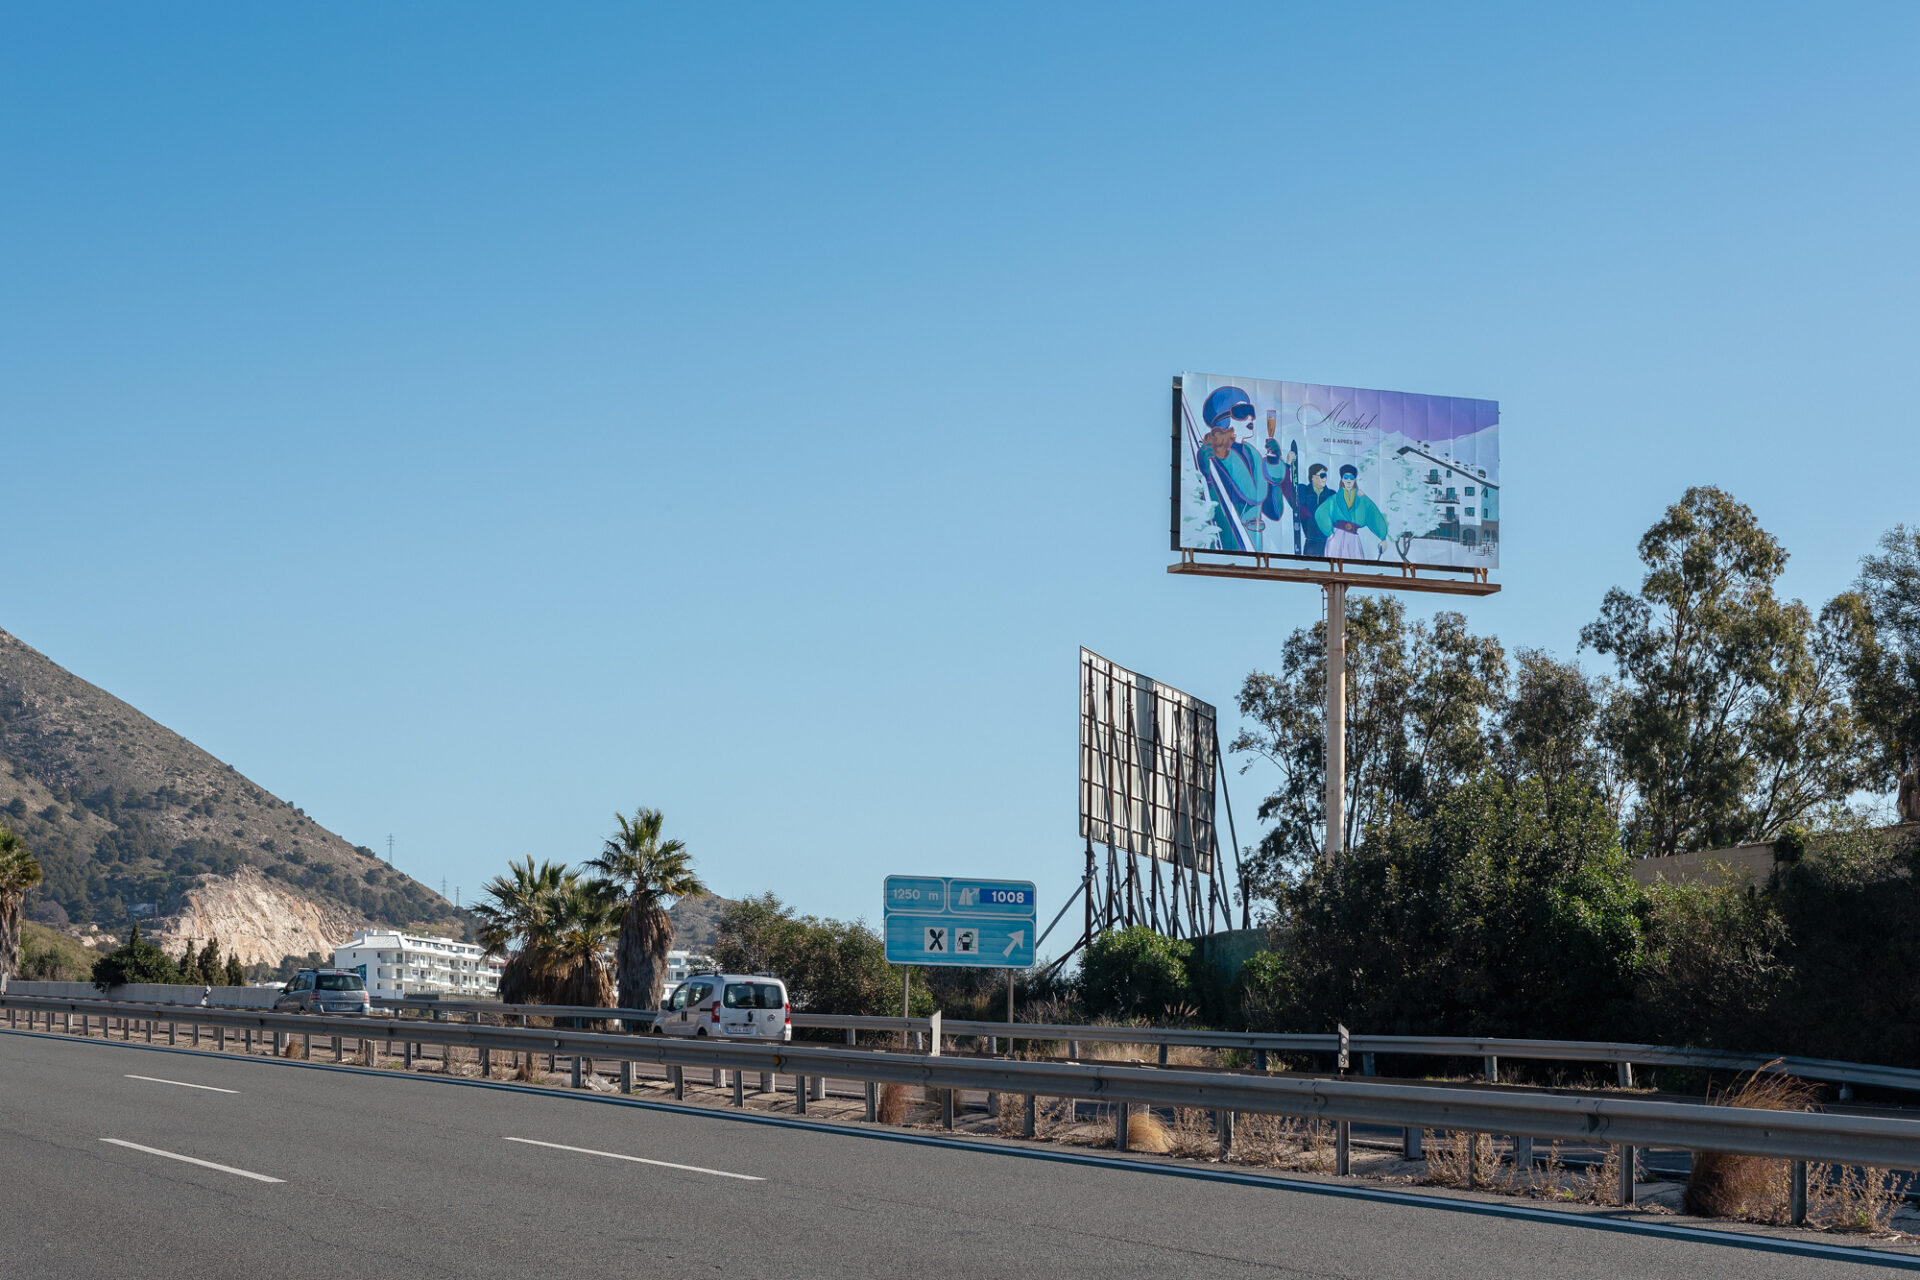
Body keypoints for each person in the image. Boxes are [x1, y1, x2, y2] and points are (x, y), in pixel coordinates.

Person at [1194, 386, 1274, 551]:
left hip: (1254, 546)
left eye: (1251, 410)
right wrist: (1205, 473)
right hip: (1226, 543)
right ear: (1223, 419)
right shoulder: (1213, 454)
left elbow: (1274, 510)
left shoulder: (1254, 455)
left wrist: (1275, 465)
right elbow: (1254, 495)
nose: (1250, 417)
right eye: (1242, 411)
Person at [1267, 432, 1332, 557]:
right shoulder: (1303, 491)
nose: (1324, 479)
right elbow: (1286, 488)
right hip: (1311, 545)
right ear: (1313, 477)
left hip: (1329, 544)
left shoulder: (1331, 495)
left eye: (1325, 476)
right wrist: (1287, 465)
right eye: (1322, 475)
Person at [1314, 463, 1390, 559]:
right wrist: (1329, 532)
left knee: (1354, 566)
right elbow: (1320, 513)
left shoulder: (1362, 499)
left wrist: (1382, 537)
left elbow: (1373, 514)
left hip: (1353, 538)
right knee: (1334, 567)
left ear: (1355, 479)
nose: (1349, 480)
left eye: (1351, 477)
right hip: (1337, 536)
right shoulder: (1334, 499)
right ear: (1342, 479)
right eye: (1346, 477)